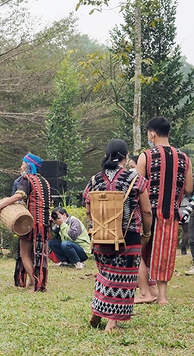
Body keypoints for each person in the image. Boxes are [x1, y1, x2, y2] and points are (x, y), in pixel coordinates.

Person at [83, 139, 152, 332]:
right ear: (126, 156)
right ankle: (112, 322)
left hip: (100, 235)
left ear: (106, 156)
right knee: (123, 278)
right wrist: (146, 233)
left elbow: (88, 208)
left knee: (105, 274)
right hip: (127, 236)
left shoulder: (94, 180)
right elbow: (147, 211)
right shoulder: (136, 179)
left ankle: (97, 315)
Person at [135, 117, 193, 305]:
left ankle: (145, 289)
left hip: (148, 213)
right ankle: (162, 296)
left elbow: (138, 186)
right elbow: (189, 188)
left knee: (141, 249)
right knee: (165, 251)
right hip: (171, 213)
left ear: (152, 134)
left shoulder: (146, 156)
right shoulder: (184, 158)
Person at [0, 153, 52, 292]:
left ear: (28, 165)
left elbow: (19, 196)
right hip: (43, 222)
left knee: (24, 253)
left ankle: (35, 283)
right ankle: (38, 281)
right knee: (37, 253)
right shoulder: (45, 181)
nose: (21, 166)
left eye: (23, 163)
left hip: (29, 221)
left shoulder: (26, 179)